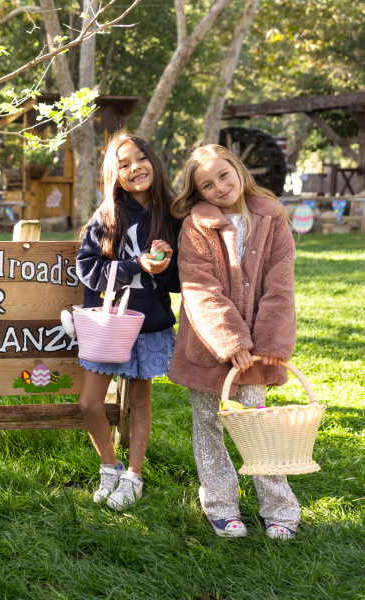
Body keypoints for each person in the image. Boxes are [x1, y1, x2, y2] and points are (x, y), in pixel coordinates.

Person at [169, 145, 300, 540]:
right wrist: (230, 339)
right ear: (199, 193)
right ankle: (221, 506)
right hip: (207, 347)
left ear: (238, 169)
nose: (219, 186)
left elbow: (280, 283)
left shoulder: (272, 217)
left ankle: (279, 507)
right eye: (207, 185)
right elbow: (199, 287)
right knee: (208, 424)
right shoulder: (196, 226)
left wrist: (266, 342)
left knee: (256, 424)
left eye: (223, 175)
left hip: (256, 350)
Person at [75, 132, 182, 510]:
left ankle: (133, 475)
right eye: (124, 164)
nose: (135, 167)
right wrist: (135, 265)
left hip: (147, 323)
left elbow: (179, 280)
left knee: (138, 399)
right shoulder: (106, 216)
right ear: (114, 174)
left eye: (141, 158)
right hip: (108, 326)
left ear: (154, 160)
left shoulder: (172, 215)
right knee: (90, 403)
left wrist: (165, 266)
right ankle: (110, 467)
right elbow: (89, 271)